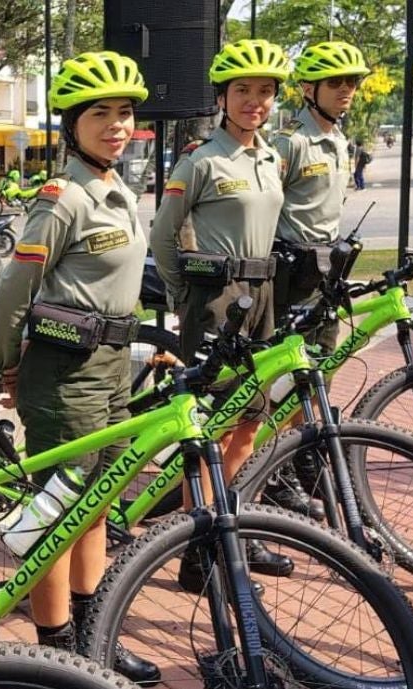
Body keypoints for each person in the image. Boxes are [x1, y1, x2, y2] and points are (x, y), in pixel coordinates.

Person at [0, 50, 161, 685]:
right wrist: (7, 364)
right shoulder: (63, 198)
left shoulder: (117, 188)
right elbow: (16, 289)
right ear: (72, 122)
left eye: (123, 113)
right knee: (57, 511)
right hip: (67, 371)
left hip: (112, 365)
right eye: (100, 113)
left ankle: (94, 635)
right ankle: (55, 650)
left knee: (96, 503)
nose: (115, 124)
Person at [150, 38, 294, 588]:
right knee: (211, 427)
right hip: (216, 300)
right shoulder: (201, 161)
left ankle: (219, 523)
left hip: (263, 296)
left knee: (250, 424)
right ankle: (196, 552)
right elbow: (164, 233)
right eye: (242, 91)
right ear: (222, 98)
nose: (254, 101)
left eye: (264, 92)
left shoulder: (270, 158)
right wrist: (182, 292)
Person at [266, 40, 372, 521]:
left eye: (351, 82)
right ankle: (276, 475)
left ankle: (306, 457)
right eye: (336, 83)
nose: (346, 90)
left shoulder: (341, 143)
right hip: (293, 274)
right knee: (288, 379)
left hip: (327, 271)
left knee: (322, 369)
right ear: (309, 89)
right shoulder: (290, 143)